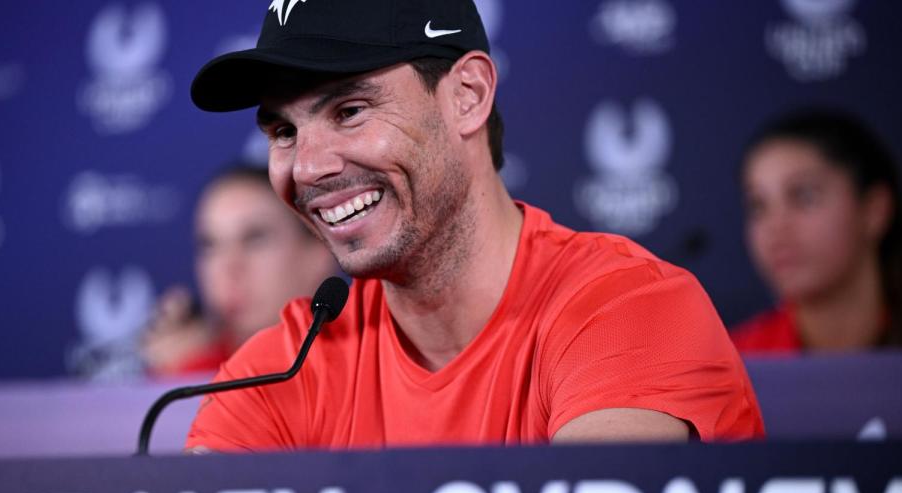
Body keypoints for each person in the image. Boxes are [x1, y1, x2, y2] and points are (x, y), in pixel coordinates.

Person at [186, 0, 764, 451]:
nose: (308, 167)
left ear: (468, 96)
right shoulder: (281, 367)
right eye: (284, 132)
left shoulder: (627, 311)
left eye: (350, 111)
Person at [731, 110, 902, 353]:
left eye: (805, 196)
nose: (775, 227)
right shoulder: (735, 359)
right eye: (758, 206)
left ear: (875, 209)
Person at [143, 165, 337, 375]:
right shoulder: (179, 369)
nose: (229, 267)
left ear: (321, 252)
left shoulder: (357, 364)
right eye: (210, 244)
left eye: (255, 239)